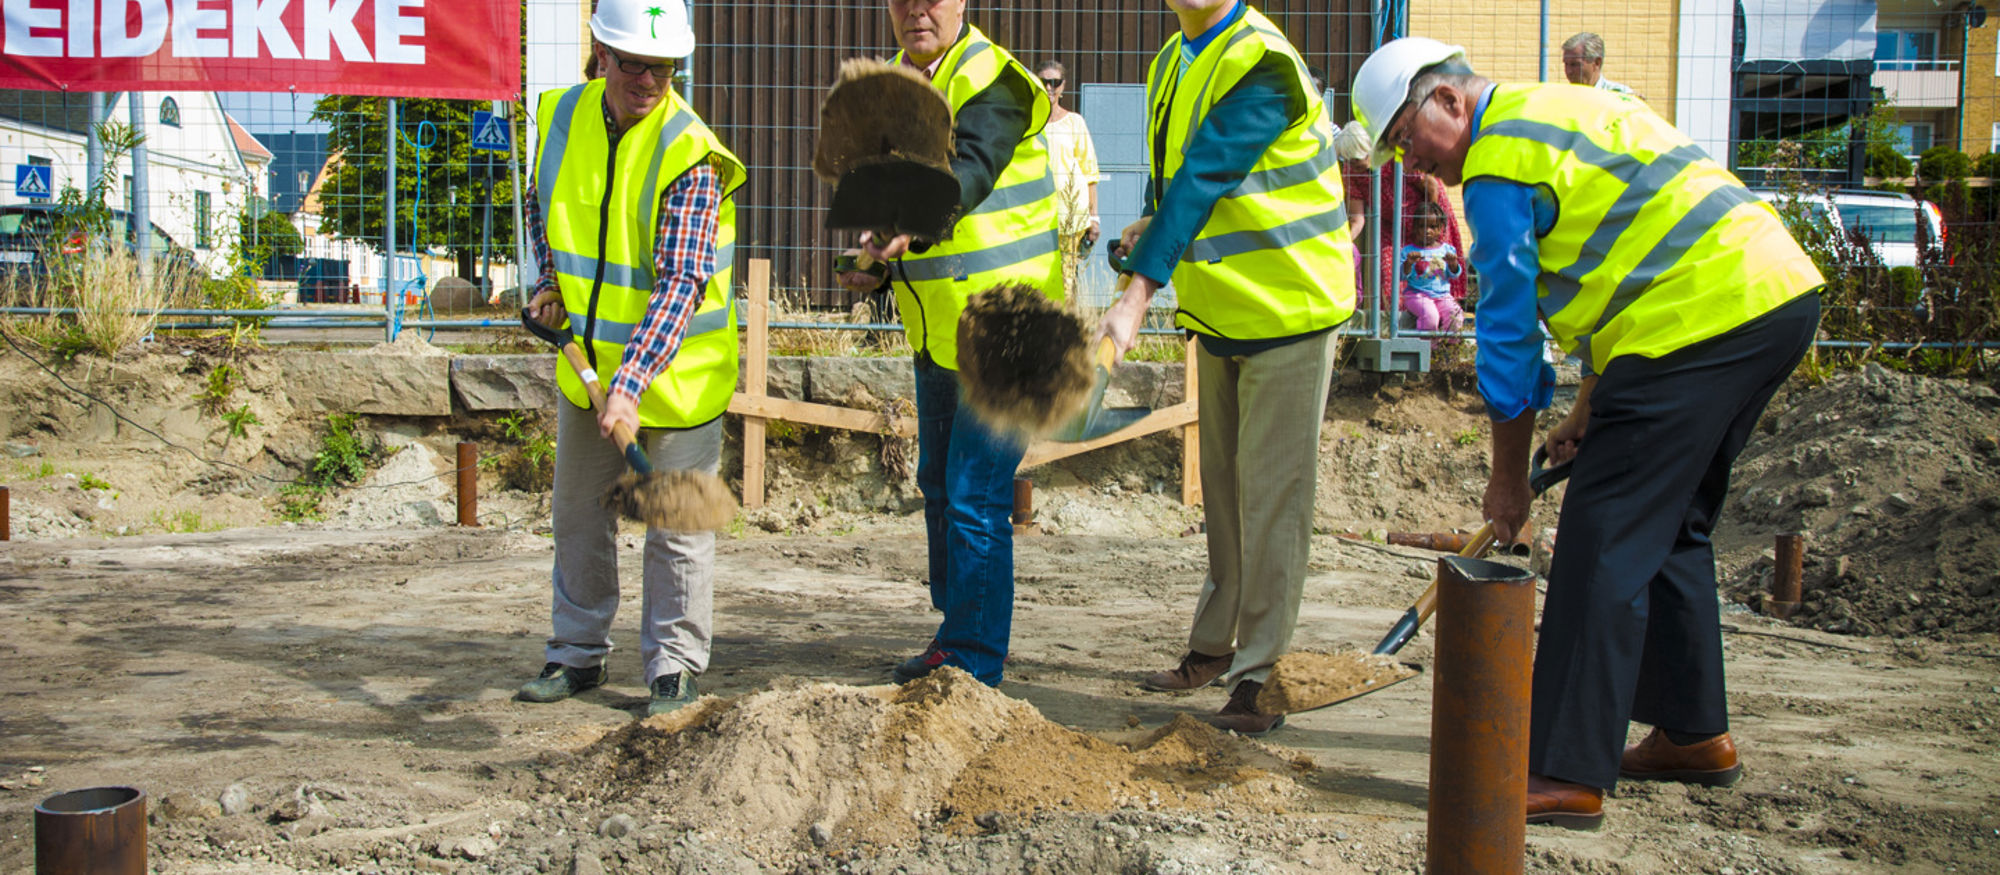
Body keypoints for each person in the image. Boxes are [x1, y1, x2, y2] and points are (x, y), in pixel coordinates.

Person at [1351, 37, 1824, 827]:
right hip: (1766, 296)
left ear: (1446, 102)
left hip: (1699, 318)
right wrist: (1587, 410)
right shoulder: (1559, 110)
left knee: (1602, 537)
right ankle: (1693, 731)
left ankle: (1564, 771)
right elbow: (1631, 255)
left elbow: (1506, 333)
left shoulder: (1501, 161)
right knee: (1670, 524)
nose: (1416, 166)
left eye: (1407, 141)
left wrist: (1506, 480)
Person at [1100, 0, 1357, 736]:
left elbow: (1208, 170)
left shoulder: (1264, 62)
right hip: (1224, 310)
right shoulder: (1173, 58)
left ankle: (1259, 675)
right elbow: (1172, 180)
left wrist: (1136, 294)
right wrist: (1146, 232)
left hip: (1292, 306)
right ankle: (1215, 646)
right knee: (1224, 492)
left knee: (1273, 499)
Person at [515, 0, 745, 717]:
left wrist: (633, 383)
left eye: (664, 66)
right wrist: (547, 282)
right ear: (602, 53)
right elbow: (540, 207)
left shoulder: (691, 152)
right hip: (588, 369)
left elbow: (681, 280)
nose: (650, 79)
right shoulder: (557, 118)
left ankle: (674, 666)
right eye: (634, 63)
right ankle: (576, 652)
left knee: (674, 521)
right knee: (579, 514)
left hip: (678, 373)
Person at [861, 0, 1063, 688]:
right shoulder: (889, 84)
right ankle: (960, 630)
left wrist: (910, 222)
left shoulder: (998, 83)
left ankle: (973, 662)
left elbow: (970, 170)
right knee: (941, 484)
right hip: (939, 325)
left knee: (976, 490)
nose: (918, 8)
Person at [1038, 60, 1103, 300]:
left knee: (1067, 280)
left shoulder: (1074, 122)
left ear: (1063, 87)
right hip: (1038, 216)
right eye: (1044, 81)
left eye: (1054, 82)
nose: (1049, 87)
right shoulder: (1030, 123)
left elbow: (1090, 170)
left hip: (1070, 215)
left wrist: (1094, 216)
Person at [1398, 201, 1463, 333]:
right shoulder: (1408, 251)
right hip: (1417, 295)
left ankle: (1449, 349)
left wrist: (1453, 264)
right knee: (1430, 316)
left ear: (1440, 229)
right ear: (1415, 228)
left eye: (1433, 227)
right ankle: (1428, 350)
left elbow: (1454, 274)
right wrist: (1409, 263)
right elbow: (1401, 276)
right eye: (1423, 226)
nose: (1428, 231)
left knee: (1455, 316)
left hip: (1443, 296)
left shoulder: (1447, 249)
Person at [1561, 32, 1634, 96]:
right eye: (1566, 64)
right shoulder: (1562, 98)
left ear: (1597, 62)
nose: (1568, 71)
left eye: (1575, 64)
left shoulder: (1619, 96)